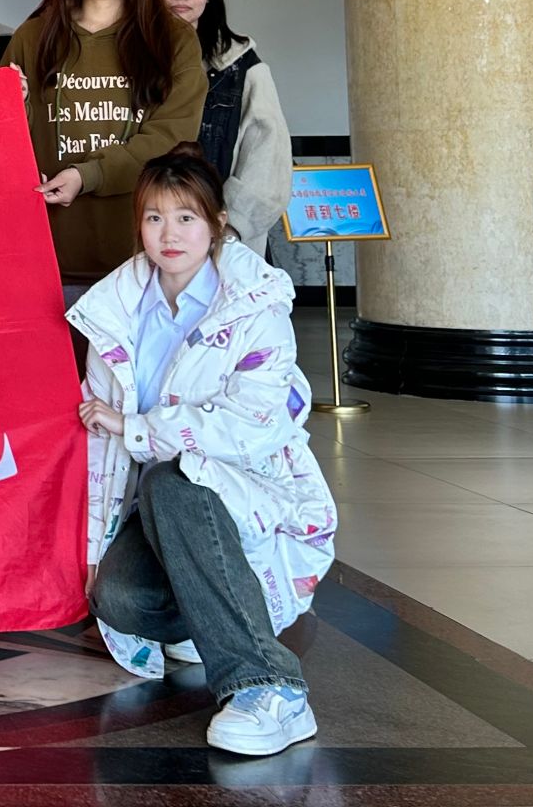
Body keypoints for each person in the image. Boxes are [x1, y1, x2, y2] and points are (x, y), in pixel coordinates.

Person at [69, 145, 334, 757]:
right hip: (161, 509)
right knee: (120, 598)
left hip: (248, 489)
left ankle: (270, 686)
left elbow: (251, 425)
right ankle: (209, 613)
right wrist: (93, 547)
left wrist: (137, 427)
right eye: (154, 217)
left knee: (173, 479)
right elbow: (102, 449)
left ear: (217, 223)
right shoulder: (115, 312)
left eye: (186, 217)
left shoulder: (256, 307)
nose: (169, 234)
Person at [1, 0, 205, 300]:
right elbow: (3, 143)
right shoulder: (33, 37)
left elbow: (171, 138)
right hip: (48, 258)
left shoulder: (173, 39)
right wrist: (14, 104)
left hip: (144, 259)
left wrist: (88, 175)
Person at [155, 0, 294, 255]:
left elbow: (267, 159)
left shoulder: (242, 66)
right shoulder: (125, 61)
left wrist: (226, 231)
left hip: (226, 245)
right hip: (143, 241)